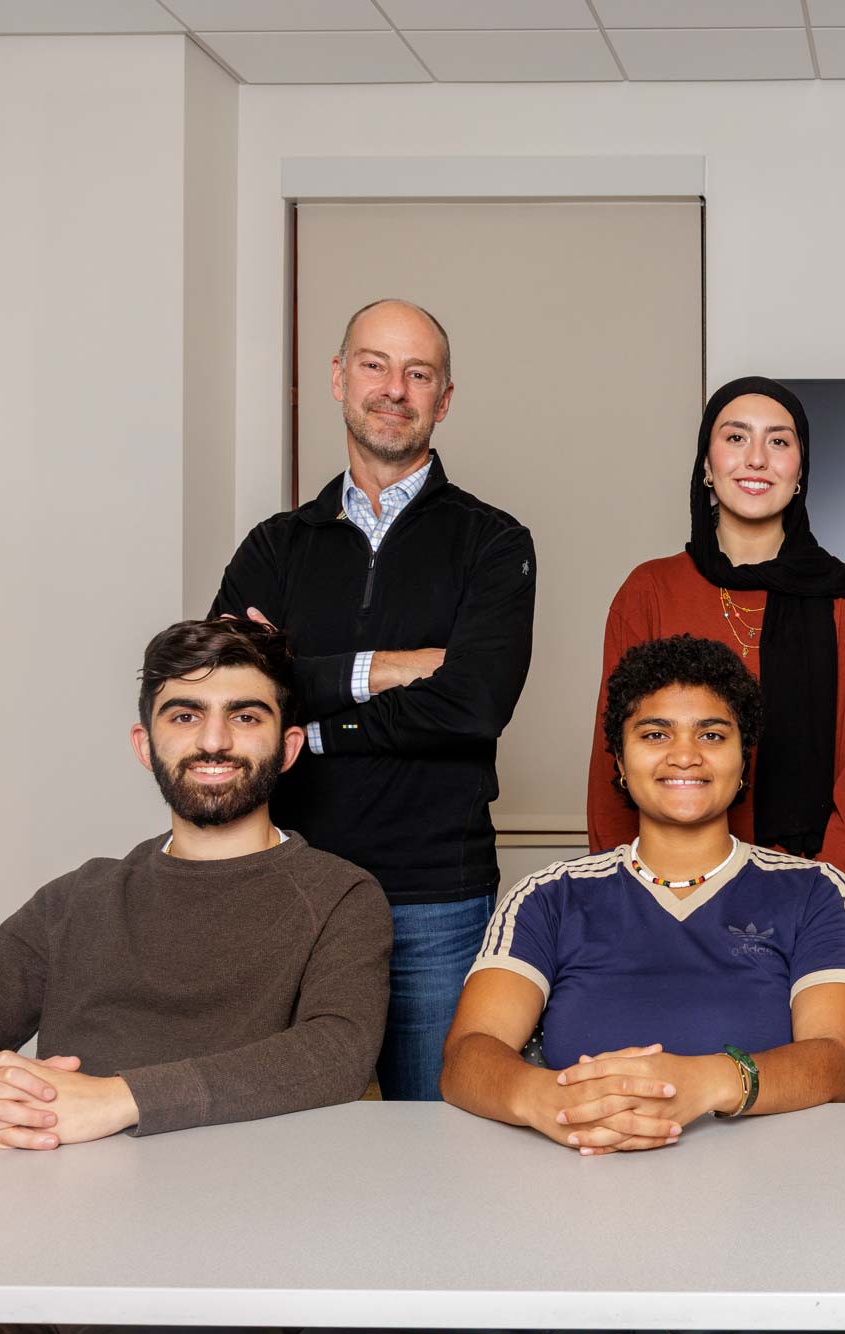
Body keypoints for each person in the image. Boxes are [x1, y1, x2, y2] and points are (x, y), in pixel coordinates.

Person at [0, 618, 390, 1146]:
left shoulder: (341, 896)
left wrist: (116, 1099)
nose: (213, 742)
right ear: (145, 746)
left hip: (252, 1194)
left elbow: (337, 1054)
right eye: (185, 716)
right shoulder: (77, 898)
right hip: (66, 1190)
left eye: (244, 716)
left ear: (287, 749)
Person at [211, 297, 536, 1101]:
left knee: (442, 1138)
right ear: (338, 378)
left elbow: (472, 706)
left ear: (444, 398)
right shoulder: (274, 546)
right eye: (374, 364)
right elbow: (228, 692)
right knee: (275, 1138)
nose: (395, 388)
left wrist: (305, 719)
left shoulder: (494, 543)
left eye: (418, 372)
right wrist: (383, 668)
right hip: (288, 884)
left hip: (436, 898)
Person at [444, 635, 845, 1153]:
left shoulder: (817, 892)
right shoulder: (548, 896)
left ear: (743, 762)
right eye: (655, 734)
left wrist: (702, 1082)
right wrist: (548, 1101)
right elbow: (468, 1056)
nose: (685, 756)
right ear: (621, 764)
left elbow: (835, 1061)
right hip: (580, 1175)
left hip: (768, 1185)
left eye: (712, 735)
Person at [585, 376, 845, 903]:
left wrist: (822, 904)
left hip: (800, 889)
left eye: (778, 441)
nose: (756, 459)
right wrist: (629, 898)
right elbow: (613, 763)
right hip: (663, 890)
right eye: (735, 437)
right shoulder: (648, 592)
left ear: (800, 471)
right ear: (706, 465)